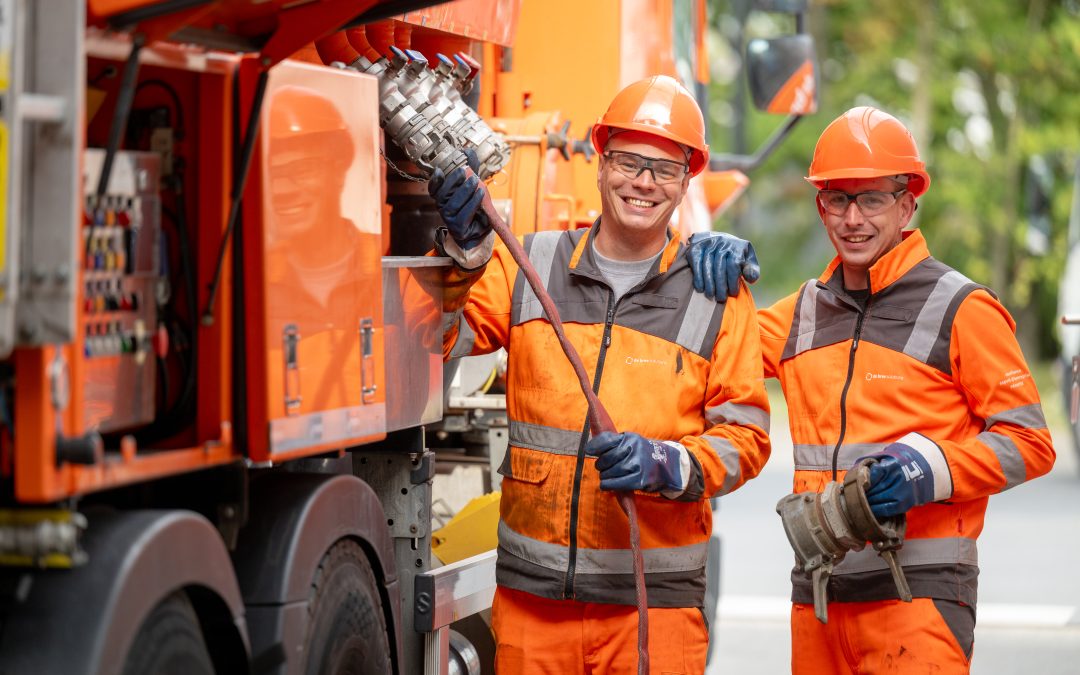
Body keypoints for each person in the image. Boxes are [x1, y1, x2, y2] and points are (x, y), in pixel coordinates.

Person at [687, 106, 1056, 673]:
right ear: (821, 207)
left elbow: (1030, 443)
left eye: (872, 199)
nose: (853, 218)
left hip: (919, 600)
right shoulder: (802, 313)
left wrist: (926, 470)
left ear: (908, 204)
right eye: (838, 199)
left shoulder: (961, 308)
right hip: (820, 598)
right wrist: (700, 261)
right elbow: (703, 351)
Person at [428, 75, 772, 674]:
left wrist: (670, 464)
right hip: (533, 609)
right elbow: (439, 338)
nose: (644, 182)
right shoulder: (529, 263)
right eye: (630, 162)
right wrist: (464, 256)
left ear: (687, 181)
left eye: (664, 169)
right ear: (600, 161)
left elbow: (747, 438)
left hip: (652, 614)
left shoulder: (716, 294)